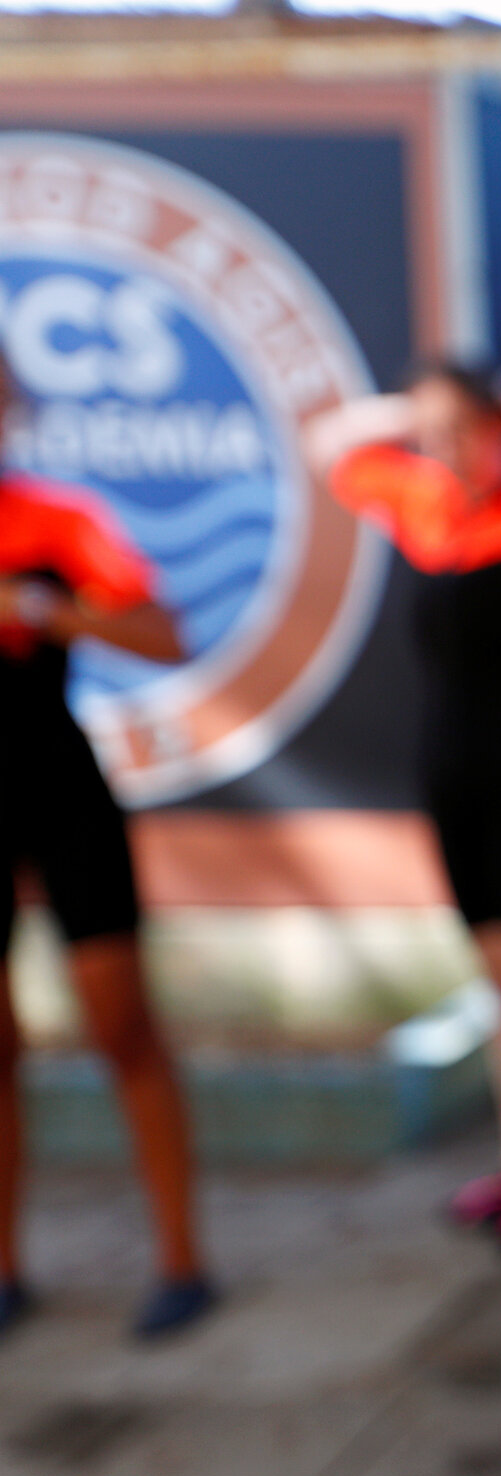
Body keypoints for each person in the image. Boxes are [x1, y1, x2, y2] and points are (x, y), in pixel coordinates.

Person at [304, 363, 501, 1249]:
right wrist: (422, 413)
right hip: (459, 771)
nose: (446, 447)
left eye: (462, 428)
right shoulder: (433, 508)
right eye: (432, 434)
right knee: (498, 973)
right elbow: (329, 445)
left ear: (496, 425)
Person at [0, 361, 215, 1341]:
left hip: (56, 785)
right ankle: (7, 1268)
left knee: (121, 1020)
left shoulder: (56, 518)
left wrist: (53, 611)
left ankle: (181, 1256)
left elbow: (165, 632)